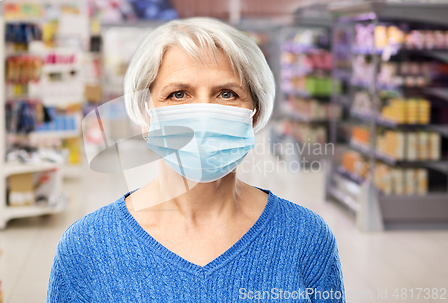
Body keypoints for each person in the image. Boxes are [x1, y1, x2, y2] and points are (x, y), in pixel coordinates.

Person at [47, 17, 345, 302]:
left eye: (227, 93)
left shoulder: (307, 239)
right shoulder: (86, 247)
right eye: (178, 94)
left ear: (254, 113)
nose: (203, 113)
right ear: (145, 116)